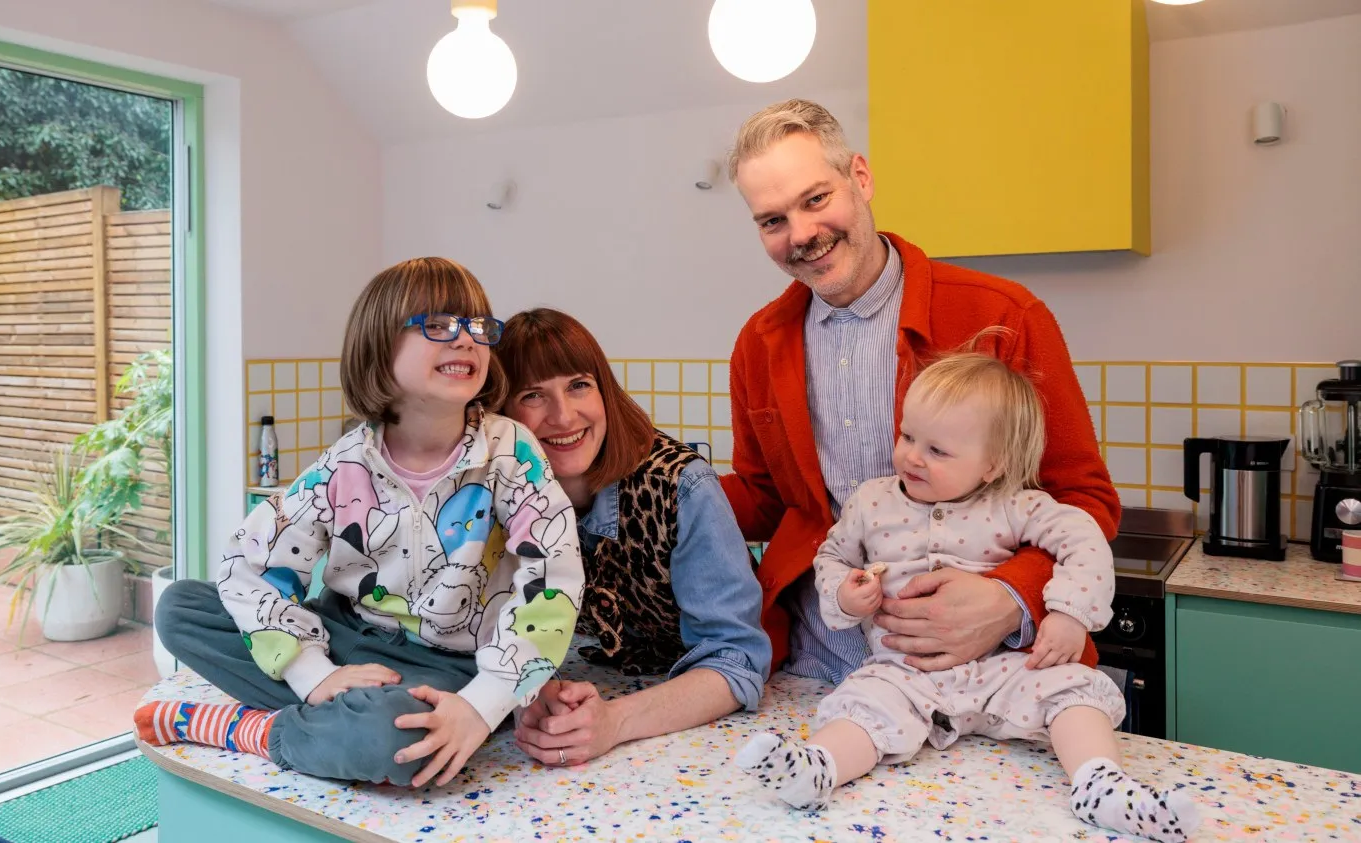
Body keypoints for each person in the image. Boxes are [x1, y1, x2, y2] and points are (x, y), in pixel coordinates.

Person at [135, 258, 585, 788]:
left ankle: (256, 730)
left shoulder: (510, 452)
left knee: (396, 742)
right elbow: (249, 562)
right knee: (181, 607)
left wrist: (482, 707)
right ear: (378, 347)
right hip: (340, 635)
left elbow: (551, 581)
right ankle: (333, 711)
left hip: (447, 667)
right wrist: (316, 674)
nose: (466, 340)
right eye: (439, 325)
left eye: (478, 327)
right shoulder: (345, 463)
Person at [719, 98, 1120, 685]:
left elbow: (1084, 497)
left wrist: (1011, 595)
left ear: (860, 177)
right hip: (818, 667)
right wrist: (650, 484)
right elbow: (766, 499)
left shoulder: (1005, 315)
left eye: (816, 199)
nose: (800, 234)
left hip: (989, 669)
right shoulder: (759, 343)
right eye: (772, 220)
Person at [735, 351, 1199, 842]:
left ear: (991, 465)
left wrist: (1069, 614)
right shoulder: (871, 501)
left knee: (1073, 688)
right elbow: (831, 557)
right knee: (863, 702)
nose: (912, 456)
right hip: (904, 671)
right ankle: (818, 770)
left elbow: (1083, 537)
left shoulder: (1016, 504)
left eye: (938, 451)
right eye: (908, 436)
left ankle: (1100, 785)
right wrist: (846, 597)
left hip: (1004, 670)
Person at [495, 308, 771, 767]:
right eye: (533, 395)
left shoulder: (683, 487)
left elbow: (738, 660)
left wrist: (614, 722)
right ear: (502, 413)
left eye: (579, 385)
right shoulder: (492, 494)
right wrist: (528, 690)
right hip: (587, 690)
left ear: (605, 389)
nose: (564, 416)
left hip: (690, 725)